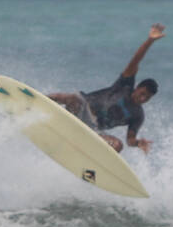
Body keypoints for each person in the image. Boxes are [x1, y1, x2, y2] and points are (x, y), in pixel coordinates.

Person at [49, 23, 165, 154]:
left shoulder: (137, 115)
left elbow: (130, 140)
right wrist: (150, 40)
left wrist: (138, 143)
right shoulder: (125, 85)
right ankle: (36, 101)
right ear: (137, 88)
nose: (143, 98)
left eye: (147, 98)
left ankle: (89, 163)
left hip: (94, 130)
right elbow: (136, 60)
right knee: (72, 98)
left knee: (117, 145)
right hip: (81, 109)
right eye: (142, 93)